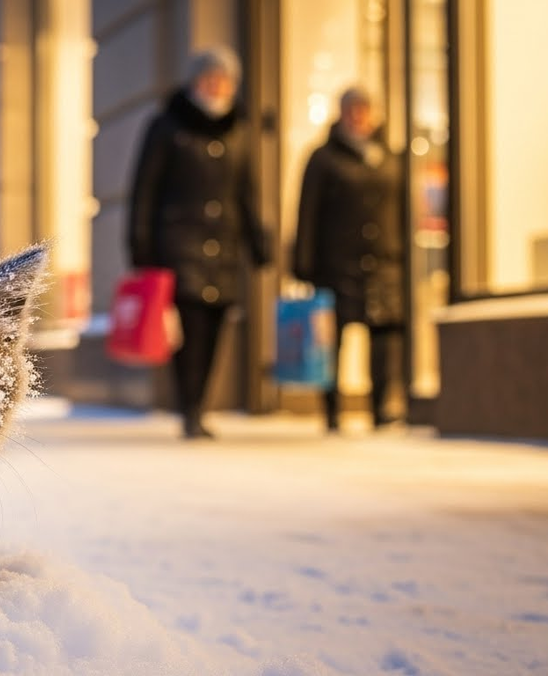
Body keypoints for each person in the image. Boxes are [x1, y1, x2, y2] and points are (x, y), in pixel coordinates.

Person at [128, 46, 271, 440]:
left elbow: (247, 194)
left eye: (224, 79)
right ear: (194, 81)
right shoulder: (167, 126)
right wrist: (141, 247)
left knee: (215, 329)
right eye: (209, 78)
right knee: (189, 331)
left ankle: (200, 404)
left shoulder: (239, 132)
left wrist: (258, 242)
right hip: (178, 246)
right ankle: (190, 409)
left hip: (223, 248)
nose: (216, 85)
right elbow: (145, 191)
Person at [293, 86, 405, 432]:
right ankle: (331, 411)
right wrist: (303, 263)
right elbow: (307, 212)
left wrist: (404, 255)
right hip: (336, 263)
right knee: (331, 340)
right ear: (341, 114)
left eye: (364, 109)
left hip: (384, 261)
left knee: (383, 339)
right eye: (352, 109)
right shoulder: (324, 158)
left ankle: (380, 407)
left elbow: (402, 210)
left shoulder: (390, 158)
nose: (359, 116)